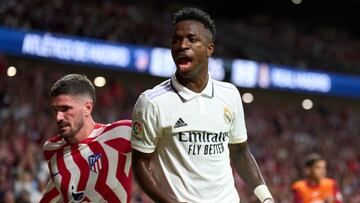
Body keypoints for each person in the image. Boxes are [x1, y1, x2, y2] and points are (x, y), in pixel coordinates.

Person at [131, 7, 273, 203]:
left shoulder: (230, 94)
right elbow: (140, 164)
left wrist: (265, 197)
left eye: (192, 39)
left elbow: (240, 152)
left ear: (209, 49)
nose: (182, 45)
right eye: (176, 40)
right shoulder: (152, 102)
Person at [40, 74, 132, 203]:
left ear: (87, 108)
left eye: (65, 109)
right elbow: (57, 189)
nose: (58, 117)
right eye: (55, 110)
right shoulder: (51, 148)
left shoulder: (122, 133)